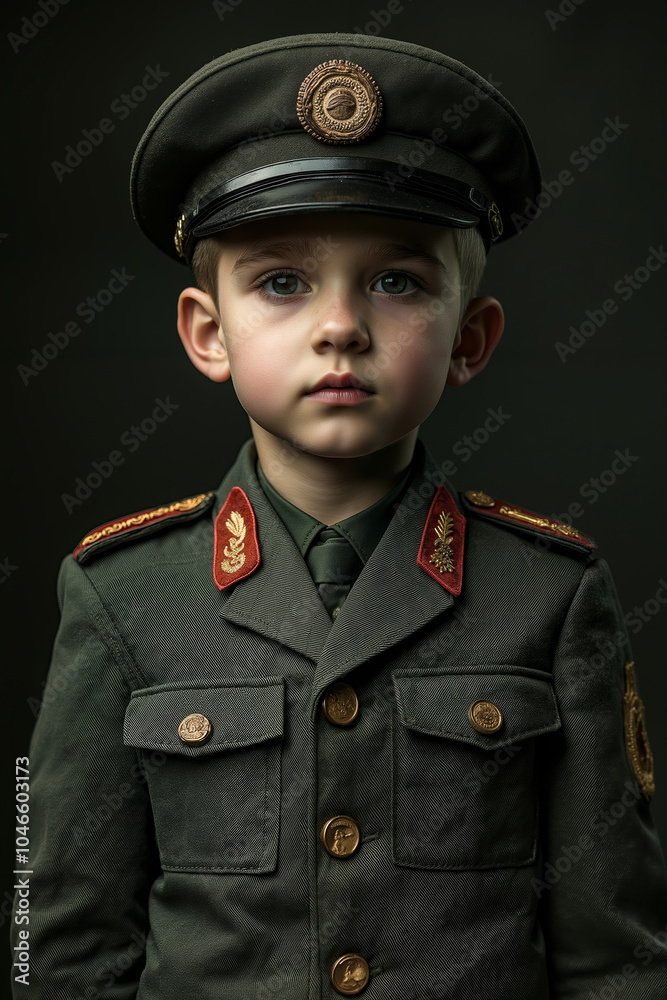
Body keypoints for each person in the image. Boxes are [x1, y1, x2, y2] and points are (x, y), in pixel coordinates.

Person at [12, 32, 667, 1000]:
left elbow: (616, 951)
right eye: (281, 282)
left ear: (470, 338)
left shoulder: (552, 592)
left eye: (397, 281)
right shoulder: (121, 594)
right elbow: (54, 939)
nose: (339, 324)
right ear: (207, 332)